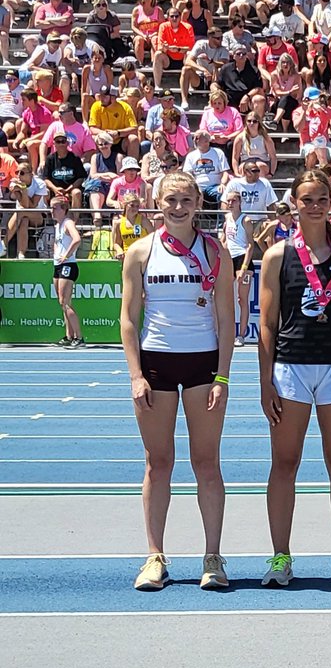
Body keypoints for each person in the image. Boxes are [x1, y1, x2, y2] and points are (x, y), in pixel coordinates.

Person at [118, 171, 235, 591]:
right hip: (156, 365)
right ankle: (155, 556)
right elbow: (128, 321)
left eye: (186, 199)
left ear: (198, 202)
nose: (179, 207)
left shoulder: (215, 252)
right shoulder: (140, 252)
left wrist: (223, 376)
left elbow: (226, 320)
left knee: (206, 462)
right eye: (171, 199)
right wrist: (135, 375)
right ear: (158, 201)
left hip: (203, 364)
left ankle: (213, 557)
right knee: (158, 462)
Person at [257, 169, 331, 587]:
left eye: (322, 198)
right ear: (294, 203)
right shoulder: (277, 256)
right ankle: (280, 557)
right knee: (284, 464)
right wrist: (264, 381)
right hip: (290, 368)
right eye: (307, 199)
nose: (315, 206)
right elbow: (267, 325)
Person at [49, 196, 84, 348]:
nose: (52, 211)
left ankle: (79, 337)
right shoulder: (58, 225)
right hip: (58, 264)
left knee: (65, 302)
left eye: (55, 208)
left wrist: (67, 254)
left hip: (68, 265)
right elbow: (58, 244)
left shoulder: (68, 223)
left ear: (64, 209)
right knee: (62, 303)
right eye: (51, 207)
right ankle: (69, 335)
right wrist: (57, 255)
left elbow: (77, 239)